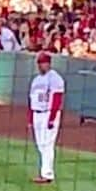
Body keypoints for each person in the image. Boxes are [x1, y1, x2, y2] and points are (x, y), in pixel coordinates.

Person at [29, 51, 65, 183]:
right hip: (37, 114)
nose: (40, 66)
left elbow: (57, 98)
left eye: (43, 63)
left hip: (48, 113)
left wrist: (52, 117)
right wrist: (30, 118)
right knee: (40, 145)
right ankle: (44, 172)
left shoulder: (55, 78)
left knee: (47, 144)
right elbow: (31, 99)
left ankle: (47, 174)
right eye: (39, 63)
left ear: (48, 64)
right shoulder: (36, 79)